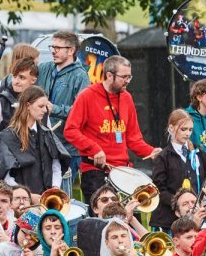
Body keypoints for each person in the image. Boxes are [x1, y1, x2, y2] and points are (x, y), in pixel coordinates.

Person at [64, 55, 161, 202]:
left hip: (123, 171)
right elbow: (70, 130)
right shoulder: (87, 96)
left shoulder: (127, 97)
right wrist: (94, 148)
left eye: (130, 77)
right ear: (109, 75)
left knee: (132, 220)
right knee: (103, 222)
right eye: (124, 77)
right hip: (96, 171)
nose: (128, 81)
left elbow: (133, 138)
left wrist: (151, 151)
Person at [0, 85, 70, 190]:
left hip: (45, 198)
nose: (45, 110)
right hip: (18, 200)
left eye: (46, 106)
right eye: (41, 106)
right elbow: (5, 176)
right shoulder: (6, 137)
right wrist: (27, 195)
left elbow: (56, 164)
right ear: (28, 106)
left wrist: (55, 188)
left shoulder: (47, 134)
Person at [150, 109, 206, 231]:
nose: (187, 133)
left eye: (190, 130)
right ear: (171, 128)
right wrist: (180, 203)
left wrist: (198, 204)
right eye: (183, 129)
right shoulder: (162, 157)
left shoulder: (199, 153)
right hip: (168, 220)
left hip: (197, 219)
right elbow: (158, 190)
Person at [0, 56, 38, 156]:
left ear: (33, 80)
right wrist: (14, 150)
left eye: (22, 77)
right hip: (6, 166)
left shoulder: (40, 104)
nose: (16, 81)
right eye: (14, 76)